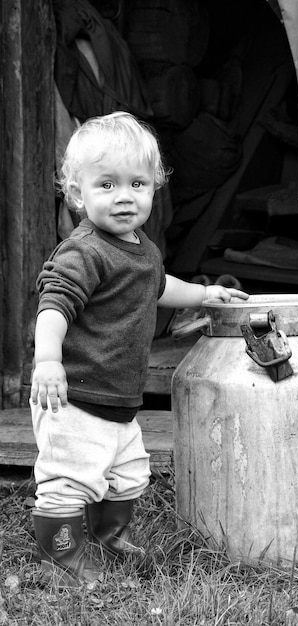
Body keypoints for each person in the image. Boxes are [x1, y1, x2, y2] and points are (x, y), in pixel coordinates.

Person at [29, 111, 249, 587]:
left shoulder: (141, 248)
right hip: (74, 397)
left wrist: (204, 294)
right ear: (76, 194)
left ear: (155, 187)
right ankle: (61, 557)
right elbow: (54, 305)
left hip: (120, 398)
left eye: (137, 184)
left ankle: (108, 538)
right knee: (70, 479)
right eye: (106, 185)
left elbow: (159, 283)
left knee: (128, 475)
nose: (124, 196)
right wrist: (47, 361)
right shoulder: (83, 252)